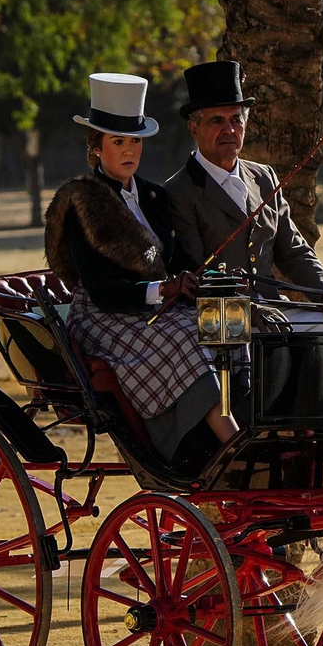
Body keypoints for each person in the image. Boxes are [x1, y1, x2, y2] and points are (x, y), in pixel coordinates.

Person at [44, 72, 238, 463]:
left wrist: (203, 280)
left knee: (231, 323)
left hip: (160, 310)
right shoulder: (82, 203)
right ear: (96, 149)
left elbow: (179, 259)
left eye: (135, 141)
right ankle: (232, 446)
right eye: (118, 142)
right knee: (188, 338)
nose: (129, 150)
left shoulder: (153, 195)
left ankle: (239, 424)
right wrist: (161, 291)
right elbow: (101, 289)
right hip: (105, 317)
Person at [165, 60, 323, 330]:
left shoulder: (263, 177)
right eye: (217, 121)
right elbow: (195, 275)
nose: (229, 130)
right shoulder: (178, 191)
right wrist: (250, 311)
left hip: (274, 310)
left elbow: (294, 251)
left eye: (236, 119)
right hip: (217, 318)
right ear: (194, 128)